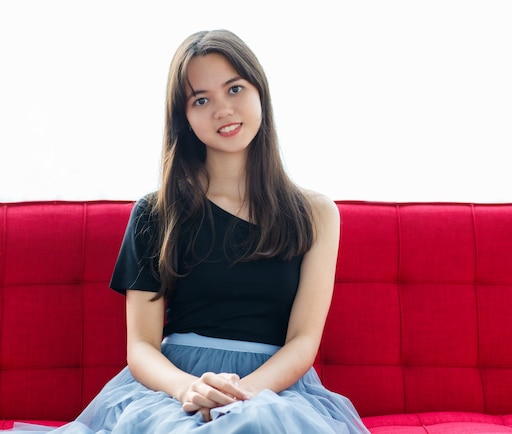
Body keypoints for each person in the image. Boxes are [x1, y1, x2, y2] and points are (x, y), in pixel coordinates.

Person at [3, 29, 369, 433]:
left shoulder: (316, 214)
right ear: (185, 118)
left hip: (273, 389)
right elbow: (140, 347)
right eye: (201, 100)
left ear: (259, 91)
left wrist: (239, 397)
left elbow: (302, 342)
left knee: (259, 422)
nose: (223, 110)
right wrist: (191, 391)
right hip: (173, 388)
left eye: (234, 89)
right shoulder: (155, 213)